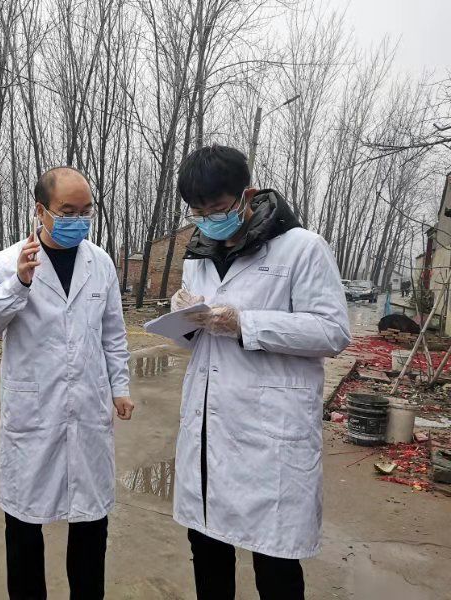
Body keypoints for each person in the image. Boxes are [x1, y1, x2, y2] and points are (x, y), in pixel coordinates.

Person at [169, 145, 351, 600]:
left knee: (274, 563)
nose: (208, 220)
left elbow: (332, 332)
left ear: (247, 196)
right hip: (209, 427)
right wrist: (182, 317)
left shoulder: (302, 248)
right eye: (198, 211)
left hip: (270, 435)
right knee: (207, 549)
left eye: (217, 208)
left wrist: (245, 324)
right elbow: (196, 337)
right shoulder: (198, 255)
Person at [0, 167, 133, 599]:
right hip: (34, 414)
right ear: (41, 211)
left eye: (86, 211)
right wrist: (19, 282)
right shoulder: (8, 261)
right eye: (67, 211)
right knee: (25, 525)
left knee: (90, 523)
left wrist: (119, 387)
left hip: (89, 408)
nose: (79, 220)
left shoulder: (100, 263)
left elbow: (113, 333)